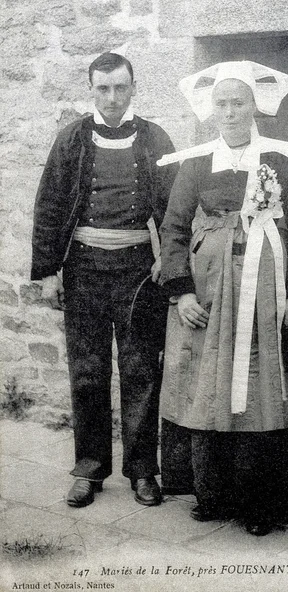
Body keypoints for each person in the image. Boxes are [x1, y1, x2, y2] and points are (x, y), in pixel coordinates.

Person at [157, 61, 288, 535]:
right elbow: (174, 230)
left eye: (239, 102)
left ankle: (262, 502)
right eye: (222, 103)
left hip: (265, 291)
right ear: (210, 109)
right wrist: (181, 294)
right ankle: (213, 494)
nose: (231, 112)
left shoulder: (281, 162)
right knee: (210, 383)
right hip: (208, 292)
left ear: (255, 105)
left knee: (263, 386)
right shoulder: (196, 164)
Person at [31, 52, 178, 508]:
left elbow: (175, 210)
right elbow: (49, 206)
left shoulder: (156, 138)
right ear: (91, 89)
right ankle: (90, 469)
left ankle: (142, 471)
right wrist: (49, 271)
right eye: (103, 89)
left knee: (140, 371)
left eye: (120, 87)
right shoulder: (71, 139)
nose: (112, 98)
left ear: (134, 87)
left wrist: (166, 262)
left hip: (138, 271)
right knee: (89, 373)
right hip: (84, 271)